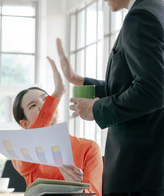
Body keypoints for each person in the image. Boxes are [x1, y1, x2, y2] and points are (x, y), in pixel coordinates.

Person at [56, 0, 164, 195]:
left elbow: (151, 92)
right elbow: (137, 84)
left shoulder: (140, 17)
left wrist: (96, 109)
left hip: (142, 170)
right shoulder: (160, 11)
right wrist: (79, 80)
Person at [11, 56, 103, 196]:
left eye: (46, 99)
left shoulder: (89, 148)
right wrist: (57, 93)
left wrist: (79, 188)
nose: (43, 106)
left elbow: (95, 193)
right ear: (25, 124)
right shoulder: (21, 152)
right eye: (33, 105)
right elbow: (35, 137)